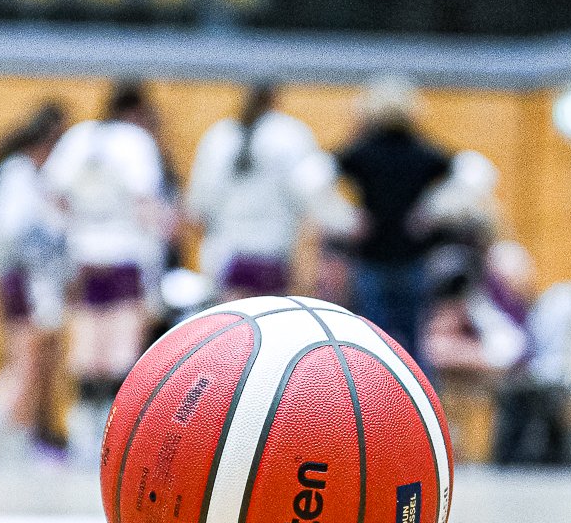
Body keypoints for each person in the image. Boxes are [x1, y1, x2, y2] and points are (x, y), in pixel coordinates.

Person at [41, 80, 171, 463]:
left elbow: (52, 193)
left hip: (83, 256)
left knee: (85, 351)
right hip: (124, 256)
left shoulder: (80, 137)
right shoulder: (135, 141)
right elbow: (145, 202)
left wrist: (78, 225)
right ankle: (111, 440)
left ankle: (83, 437)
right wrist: (164, 228)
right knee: (120, 353)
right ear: (137, 111)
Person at [0, 102, 70, 461]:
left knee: (28, 363)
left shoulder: (23, 174)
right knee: (25, 364)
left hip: (21, 277)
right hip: (21, 278)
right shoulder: (18, 173)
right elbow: (13, 230)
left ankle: (6, 437)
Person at [186, 82, 359, 300]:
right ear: (274, 97)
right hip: (269, 256)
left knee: (232, 318)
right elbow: (313, 189)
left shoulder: (219, 136)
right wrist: (349, 221)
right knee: (266, 317)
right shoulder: (288, 134)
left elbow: (197, 207)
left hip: (223, 257)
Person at [337, 75, 453, 377]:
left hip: (375, 259)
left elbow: (311, 176)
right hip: (410, 259)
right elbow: (474, 172)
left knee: (371, 342)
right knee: (414, 344)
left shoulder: (362, 152)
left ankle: (372, 397)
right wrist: (432, 212)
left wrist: (346, 219)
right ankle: (420, 401)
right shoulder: (423, 152)